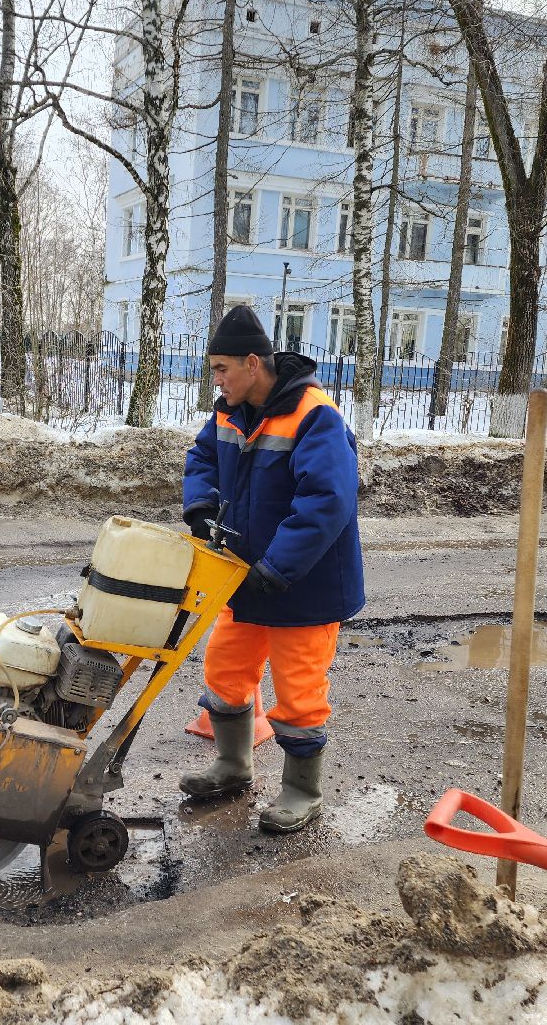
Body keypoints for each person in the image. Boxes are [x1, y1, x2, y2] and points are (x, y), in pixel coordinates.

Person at [180, 305, 364, 833]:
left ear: (253, 363)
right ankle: (233, 764)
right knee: (225, 671)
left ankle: (302, 791)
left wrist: (279, 566)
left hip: (303, 586)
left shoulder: (314, 415)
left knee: (299, 690)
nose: (216, 380)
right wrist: (201, 504)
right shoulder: (230, 411)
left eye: (222, 369)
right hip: (246, 576)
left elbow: (326, 500)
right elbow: (203, 459)